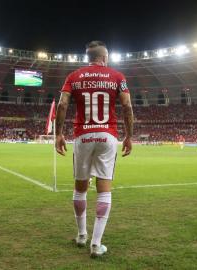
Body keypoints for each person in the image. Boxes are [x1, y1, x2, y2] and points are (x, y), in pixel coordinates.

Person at [55, 41, 134, 258]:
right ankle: (96, 245)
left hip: (83, 135)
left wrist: (58, 134)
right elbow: (127, 106)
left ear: (88, 57)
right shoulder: (118, 77)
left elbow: (62, 105)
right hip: (107, 135)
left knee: (80, 188)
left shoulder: (73, 77)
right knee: (104, 188)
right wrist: (129, 136)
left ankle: (82, 236)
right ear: (105, 58)